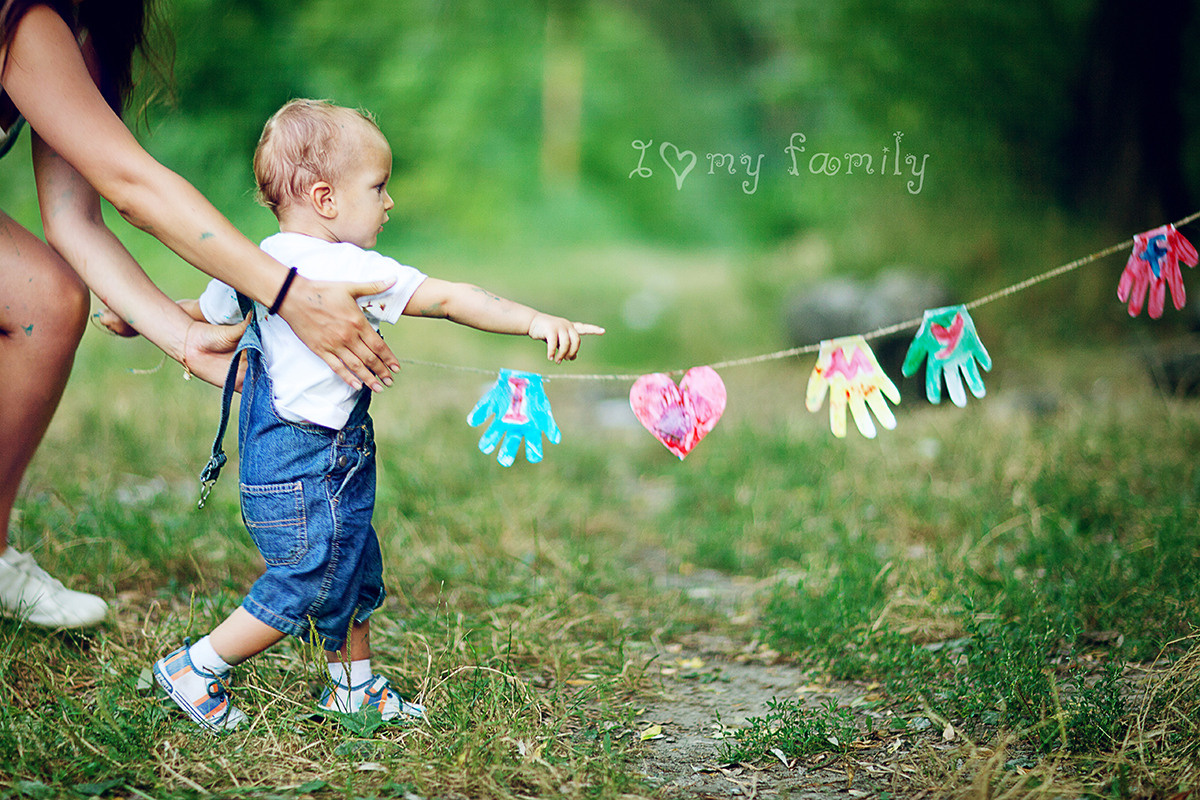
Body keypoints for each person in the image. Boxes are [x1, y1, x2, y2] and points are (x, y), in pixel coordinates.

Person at [151, 99, 603, 732]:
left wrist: (136, 315)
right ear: (325, 199)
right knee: (310, 577)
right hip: (308, 463)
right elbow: (449, 298)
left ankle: (353, 689)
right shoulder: (348, 266)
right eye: (378, 187)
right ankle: (195, 667)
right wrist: (533, 320)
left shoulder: (249, 261)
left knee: (353, 567)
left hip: (288, 458)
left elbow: (205, 312)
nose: (390, 202)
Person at [0, 0, 407, 629]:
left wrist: (184, 336)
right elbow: (134, 186)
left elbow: (73, 219)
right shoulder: (23, 18)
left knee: (46, 301)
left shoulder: (78, 30)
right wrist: (289, 292)